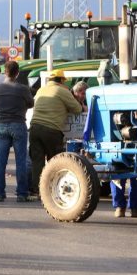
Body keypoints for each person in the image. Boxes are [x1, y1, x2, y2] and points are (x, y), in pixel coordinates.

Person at [29, 69, 84, 197]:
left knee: (37, 161)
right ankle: (51, 189)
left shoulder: (41, 90)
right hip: (51, 130)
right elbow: (77, 109)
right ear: (61, 81)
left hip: (35, 127)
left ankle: (37, 190)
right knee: (54, 161)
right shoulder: (62, 91)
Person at [0, 61, 35, 202]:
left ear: (5, 72)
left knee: (0, 161)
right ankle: (22, 194)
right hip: (18, 125)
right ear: (17, 73)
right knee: (21, 161)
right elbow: (31, 103)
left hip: (2, 126)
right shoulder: (22, 89)